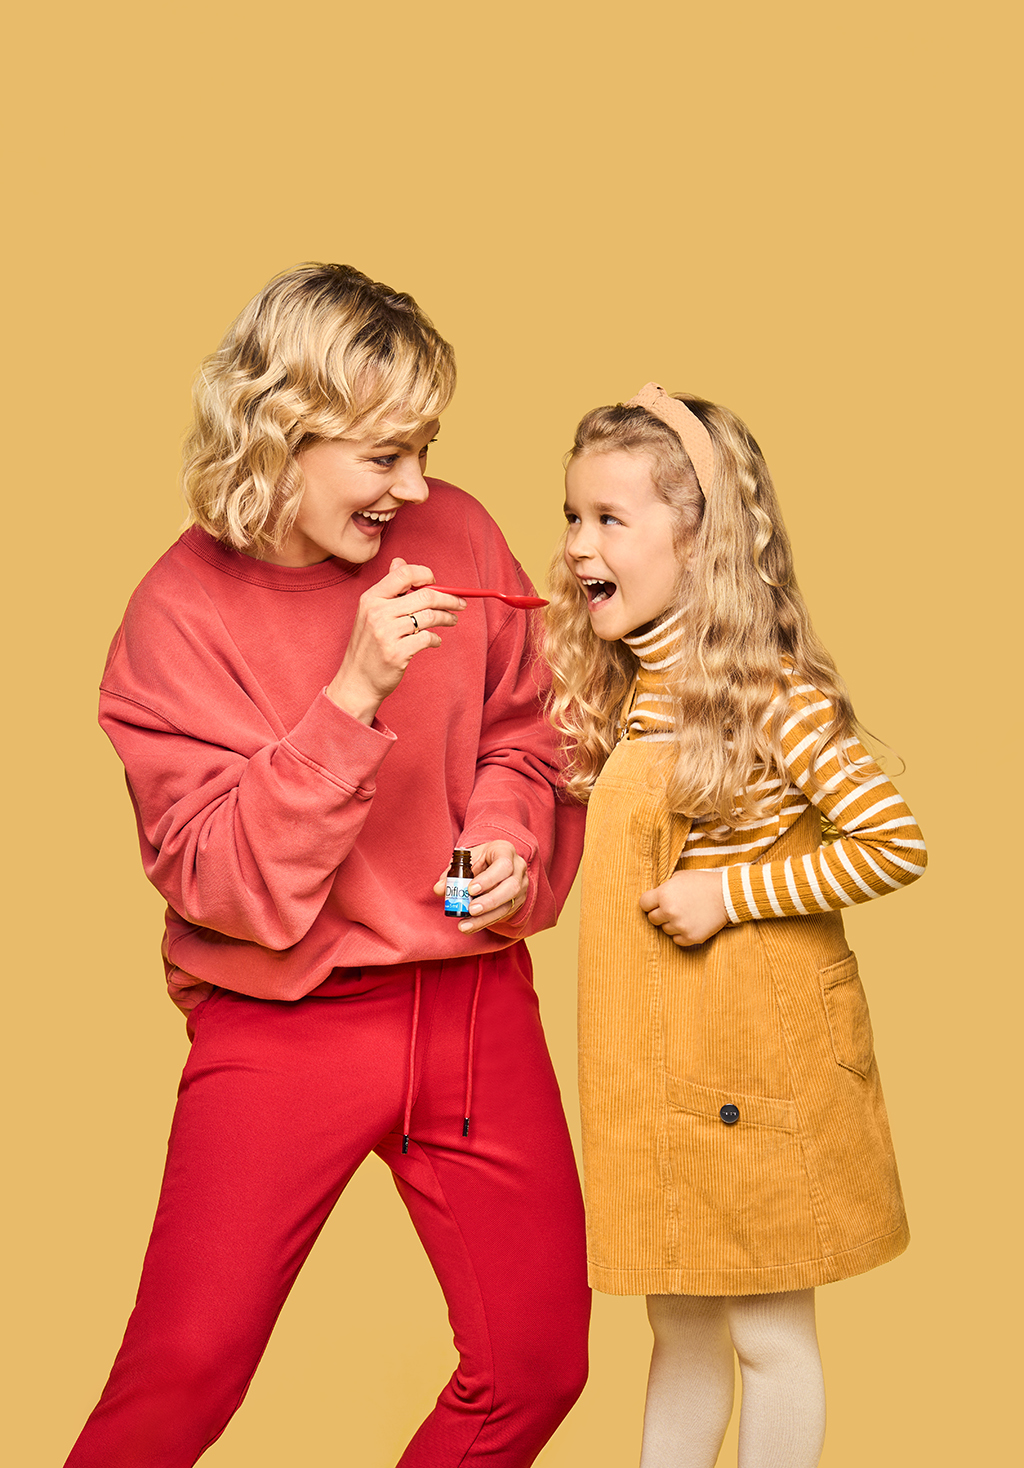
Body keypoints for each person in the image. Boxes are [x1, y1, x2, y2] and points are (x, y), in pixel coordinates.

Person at [64, 263, 590, 1468]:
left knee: (537, 1366)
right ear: (276, 432)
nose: (414, 486)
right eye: (381, 454)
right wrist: (349, 695)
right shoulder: (172, 619)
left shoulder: (452, 528)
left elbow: (528, 726)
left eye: (425, 447)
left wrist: (504, 848)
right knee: (181, 1377)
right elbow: (218, 882)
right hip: (279, 1028)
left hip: (469, 1006)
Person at [544, 383, 926, 1468]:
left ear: (702, 541)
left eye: (609, 519)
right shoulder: (636, 693)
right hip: (655, 1063)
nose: (578, 545)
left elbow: (893, 840)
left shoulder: (767, 691)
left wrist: (730, 891)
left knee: (767, 1332)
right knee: (676, 1324)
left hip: (753, 1068)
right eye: (571, 516)